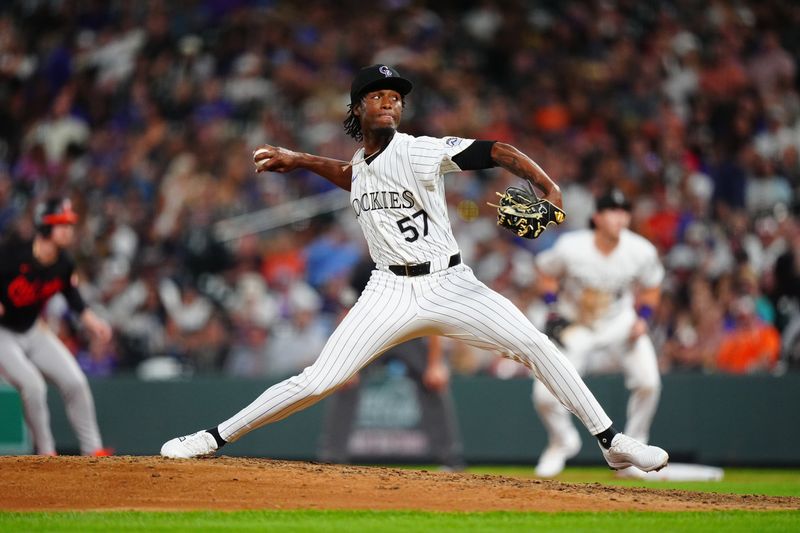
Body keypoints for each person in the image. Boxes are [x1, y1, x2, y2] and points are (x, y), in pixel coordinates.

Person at [161, 64, 669, 476]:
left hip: (450, 283)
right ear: (358, 108)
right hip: (387, 291)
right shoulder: (361, 165)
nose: (390, 102)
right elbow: (351, 174)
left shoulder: (418, 149)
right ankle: (212, 437)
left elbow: (497, 151)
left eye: (396, 97)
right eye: (378, 95)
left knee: (536, 344)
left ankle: (611, 440)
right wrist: (299, 159)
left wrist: (546, 186)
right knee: (319, 380)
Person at [530, 188, 664, 478]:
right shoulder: (571, 247)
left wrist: (644, 318)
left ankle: (635, 451)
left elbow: (652, 288)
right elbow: (545, 271)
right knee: (543, 395)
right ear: (597, 217)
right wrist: (552, 308)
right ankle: (562, 441)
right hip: (578, 326)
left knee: (649, 382)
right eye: (612, 211)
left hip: (620, 325)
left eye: (623, 211)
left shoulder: (640, 250)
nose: (619, 217)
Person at [317, 258, 464, 469]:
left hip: (408, 333)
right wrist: (344, 363)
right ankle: (332, 456)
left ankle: (450, 458)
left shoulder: (417, 265)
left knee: (434, 383)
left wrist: (435, 364)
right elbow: (346, 313)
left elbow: (433, 319)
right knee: (343, 381)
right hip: (370, 334)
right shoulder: (363, 267)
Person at [0, 197, 113, 456]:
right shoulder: (11, 254)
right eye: (61, 224)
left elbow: (74, 299)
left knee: (75, 382)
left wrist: (93, 323)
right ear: (45, 227)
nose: (68, 230)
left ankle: (93, 450)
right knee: (33, 386)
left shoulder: (63, 263)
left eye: (69, 224)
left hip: (33, 329)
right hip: (3, 333)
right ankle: (46, 453)